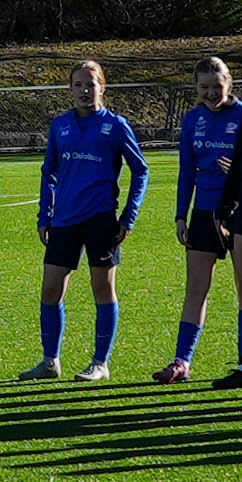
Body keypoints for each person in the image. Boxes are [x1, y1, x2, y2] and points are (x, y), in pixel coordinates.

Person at [33, 58, 143, 381]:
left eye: (90, 84)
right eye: (78, 84)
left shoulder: (116, 126)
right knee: (51, 289)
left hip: (100, 219)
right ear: (70, 89)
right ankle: (50, 361)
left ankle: (100, 362)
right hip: (64, 220)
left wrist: (129, 214)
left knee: (103, 288)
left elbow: (141, 170)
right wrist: (45, 214)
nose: (84, 90)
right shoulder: (60, 126)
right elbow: (48, 172)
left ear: (102, 88)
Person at [162, 53, 242, 378]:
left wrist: (240, 172)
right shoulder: (192, 120)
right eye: (205, 87)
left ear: (229, 84)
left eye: (217, 86)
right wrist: (180, 214)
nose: (212, 93)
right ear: (196, 88)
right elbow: (187, 170)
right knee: (196, 289)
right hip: (203, 213)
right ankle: (182, 361)